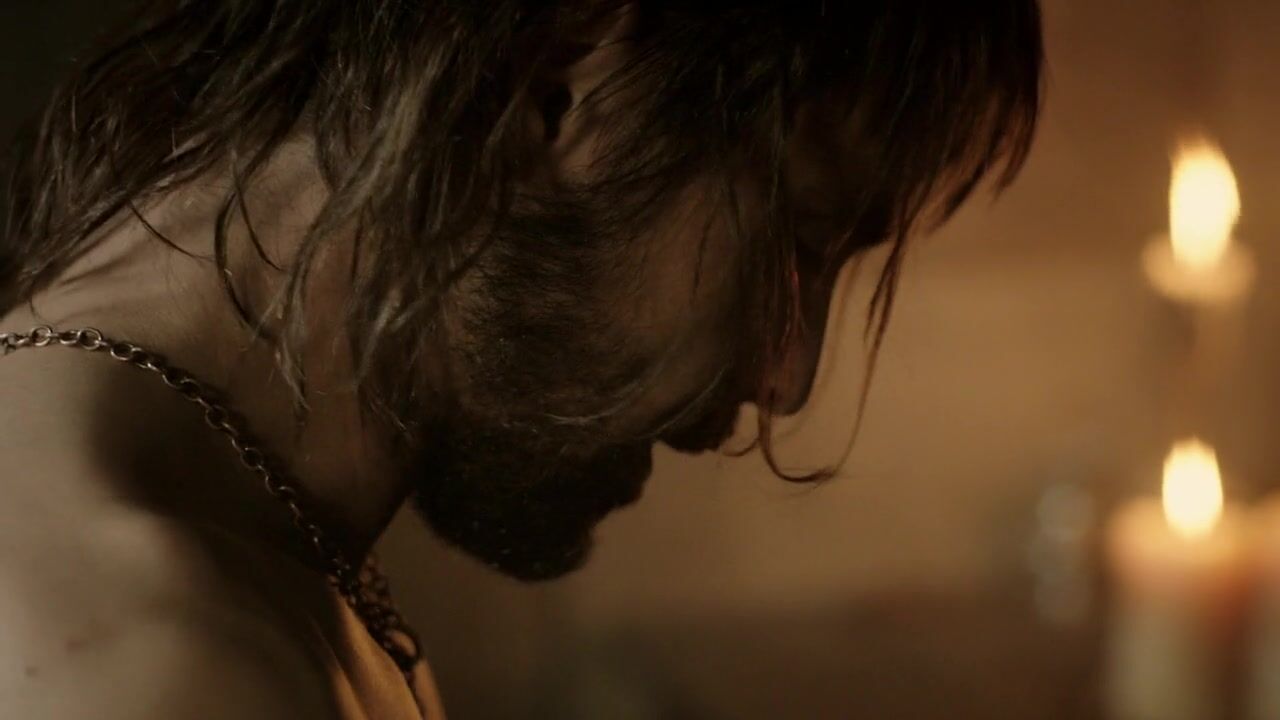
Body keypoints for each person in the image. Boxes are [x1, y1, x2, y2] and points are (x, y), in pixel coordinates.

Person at [0, 1, 1043, 717]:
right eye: (795, 243)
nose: (787, 376)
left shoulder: (235, 542)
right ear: (551, 95)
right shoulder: (142, 667)